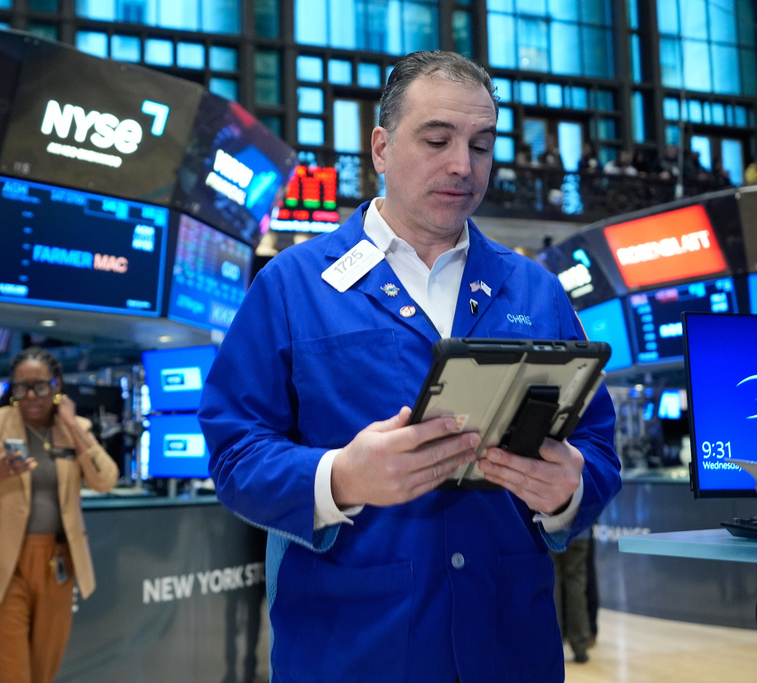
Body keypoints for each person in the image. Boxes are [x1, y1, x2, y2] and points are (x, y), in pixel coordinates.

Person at [199, 50, 622, 683]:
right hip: (351, 652)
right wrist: (338, 476)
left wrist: (569, 492)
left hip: (510, 650)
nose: (462, 165)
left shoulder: (537, 292)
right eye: (437, 140)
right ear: (381, 147)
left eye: (481, 145)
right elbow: (234, 452)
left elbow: (597, 447)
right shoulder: (293, 285)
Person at [0, 347, 118, 683]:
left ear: (57, 386)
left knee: (42, 672)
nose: (30, 397)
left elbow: (105, 480)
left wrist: (70, 421)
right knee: (6, 675)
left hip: (56, 564)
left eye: (40, 386)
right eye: (20, 388)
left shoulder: (74, 428)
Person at [550, 526, 593, 663]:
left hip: (549, 530)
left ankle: (554, 643)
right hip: (579, 531)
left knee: (553, 583)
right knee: (576, 584)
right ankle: (580, 646)